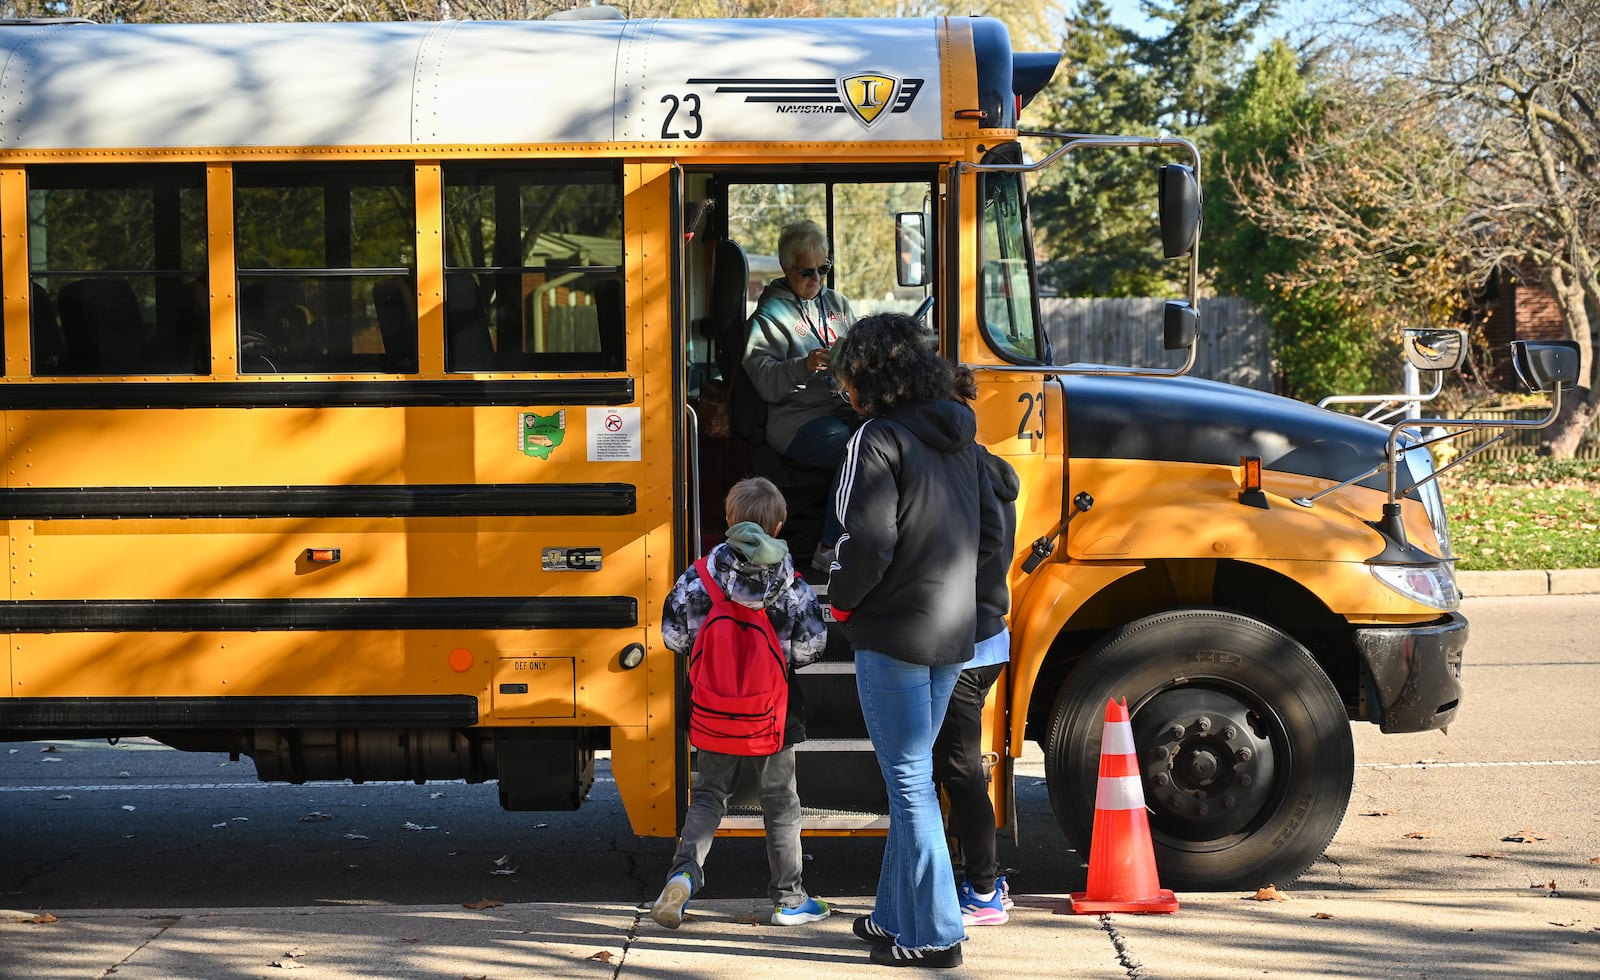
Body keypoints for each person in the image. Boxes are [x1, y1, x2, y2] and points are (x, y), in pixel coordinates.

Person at [824, 312, 1004, 969]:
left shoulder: (877, 438)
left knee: (908, 783)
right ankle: (893, 917)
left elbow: (865, 541)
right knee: (916, 779)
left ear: (868, 373)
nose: (846, 388)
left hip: (893, 629)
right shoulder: (962, 437)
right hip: (955, 630)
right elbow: (990, 536)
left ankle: (936, 934)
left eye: (849, 375)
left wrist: (839, 600)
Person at [650, 477, 831, 930]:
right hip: (772, 714)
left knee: (709, 796)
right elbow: (812, 647)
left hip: (712, 710)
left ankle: (683, 878)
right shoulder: (792, 583)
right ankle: (790, 899)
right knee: (780, 803)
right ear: (780, 523)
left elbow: (673, 638)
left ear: (729, 520)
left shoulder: (699, 577)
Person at [932, 440, 1020, 928]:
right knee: (960, 767)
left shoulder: (959, 477)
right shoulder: (994, 472)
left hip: (960, 644)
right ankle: (984, 880)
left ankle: (984, 890)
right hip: (989, 637)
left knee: (960, 771)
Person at [741, 219, 857, 570]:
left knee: (887, 435)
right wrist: (802, 366)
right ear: (786, 268)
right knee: (853, 448)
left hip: (843, 408)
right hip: (795, 420)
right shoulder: (768, 318)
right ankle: (828, 547)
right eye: (808, 272)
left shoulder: (838, 305)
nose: (817, 279)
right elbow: (764, 380)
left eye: (824, 269)